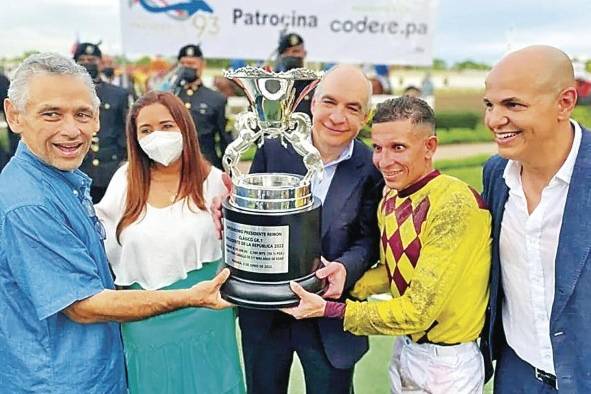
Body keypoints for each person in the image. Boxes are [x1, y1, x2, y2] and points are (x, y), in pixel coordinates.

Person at [0, 52, 232, 394]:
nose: (71, 129)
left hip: (97, 370)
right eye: (51, 114)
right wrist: (188, 297)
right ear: (14, 116)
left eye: (82, 114)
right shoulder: (28, 203)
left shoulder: (62, 179)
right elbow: (83, 305)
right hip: (60, 382)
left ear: (97, 120)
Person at [283, 96, 492, 394]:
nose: (383, 161)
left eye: (398, 148)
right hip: (406, 350)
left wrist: (332, 310)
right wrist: (343, 281)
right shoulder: (391, 199)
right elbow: (394, 272)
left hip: (449, 363)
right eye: (378, 148)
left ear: (430, 147)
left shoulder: (455, 205)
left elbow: (417, 311)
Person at [213, 65, 384, 394]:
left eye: (352, 108)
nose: (337, 116)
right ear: (313, 103)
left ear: (365, 117)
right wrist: (229, 211)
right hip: (266, 312)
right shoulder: (274, 147)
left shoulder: (371, 167)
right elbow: (251, 213)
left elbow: (368, 239)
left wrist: (344, 268)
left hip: (327, 316)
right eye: (329, 102)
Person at [95, 91, 244, 394]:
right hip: (144, 318)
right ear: (135, 138)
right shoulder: (125, 180)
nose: (157, 137)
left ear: (184, 128)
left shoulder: (216, 182)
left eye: (166, 126)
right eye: (146, 130)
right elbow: (100, 237)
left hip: (206, 314)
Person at [481, 45, 591, 392]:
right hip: (517, 375)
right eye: (490, 104)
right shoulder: (496, 174)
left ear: (564, 102)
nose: (494, 120)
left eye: (512, 104)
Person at [74, 42, 130, 202]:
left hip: (109, 169)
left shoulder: (118, 94)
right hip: (78, 167)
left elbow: (124, 130)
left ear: (100, 62)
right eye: (82, 59)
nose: (87, 63)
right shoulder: (66, 94)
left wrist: (123, 159)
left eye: (91, 59)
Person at [174, 44, 232, 169]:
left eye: (192, 64)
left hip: (206, 166)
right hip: (175, 166)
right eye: (184, 64)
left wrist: (227, 171)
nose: (187, 68)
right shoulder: (171, 96)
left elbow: (225, 139)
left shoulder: (216, 99)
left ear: (202, 65)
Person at [274, 32, 314, 117]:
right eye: (286, 52)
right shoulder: (270, 83)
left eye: (296, 51)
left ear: (304, 53)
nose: (291, 55)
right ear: (280, 55)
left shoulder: (313, 85)